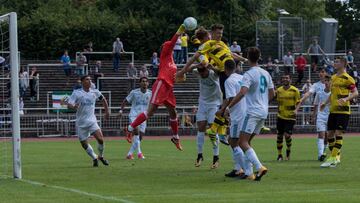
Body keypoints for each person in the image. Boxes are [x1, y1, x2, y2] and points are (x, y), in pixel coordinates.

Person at [178, 25, 247, 146]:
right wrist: (182, 71)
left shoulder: (221, 44)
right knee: (229, 101)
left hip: (228, 72)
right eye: (217, 33)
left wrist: (245, 59)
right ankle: (219, 131)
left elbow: (231, 54)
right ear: (210, 34)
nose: (220, 35)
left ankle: (216, 129)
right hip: (223, 73)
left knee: (231, 101)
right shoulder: (207, 45)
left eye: (221, 33)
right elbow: (195, 58)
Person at [124, 23, 187, 151]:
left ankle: (175, 137)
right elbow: (172, 42)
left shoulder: (172, 61)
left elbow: (175, 78)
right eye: (166, 45)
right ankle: (130, 128)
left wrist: (181, 78)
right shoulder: (165, 54)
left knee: (173, 113)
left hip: (168, 88)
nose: (168, 45)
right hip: (161, 84)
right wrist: (179, 31)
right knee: (150, 112)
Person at [227, 47, 275, 181]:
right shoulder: (266, 73)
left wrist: (229, 106)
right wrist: (263, 102)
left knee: (241, 142)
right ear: (259, 57)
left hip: (252, 112)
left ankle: (259, 167)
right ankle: (249, 173)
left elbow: (242, 92)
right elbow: (272, 94)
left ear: (247, 58)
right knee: (247, 143)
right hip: (263, 112)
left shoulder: (249, 74)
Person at [320, 57, 358, 167]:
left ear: (343, 63)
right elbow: (332, 94)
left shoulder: (348, 78)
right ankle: (336, 157)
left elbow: (355, 92)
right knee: (330, 134)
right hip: (333, 110)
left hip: (343, 110)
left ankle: (332, 158)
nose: (334, 63)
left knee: (338, 133)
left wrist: (346, 99)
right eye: (334, 61)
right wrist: (325, 103)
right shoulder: (333, 77)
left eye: (337, 62)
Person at [65, 75, 110, 167]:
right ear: (82, 82)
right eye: (87, 80)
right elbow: (69, 104)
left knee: (101, 139)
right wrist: (73, 106)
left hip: (92, 121)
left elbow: (103, 99)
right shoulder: (77, 93)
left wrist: (107, 111)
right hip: (81, 123)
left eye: (90, 80)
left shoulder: (94, 91)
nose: (89, 81)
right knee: (84, 144)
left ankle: (101, 156)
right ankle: (94, 157)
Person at [186, 65, 222, 169]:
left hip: (214, 104)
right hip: (202, 104)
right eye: (200, 72)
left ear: (207, 69)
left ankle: (216, 157)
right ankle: (199, 155)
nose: (202, 74)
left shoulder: (213, 74)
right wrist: (198, 65)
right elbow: (187, 69)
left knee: (212, 130)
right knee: (200, 128)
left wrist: (211, 66)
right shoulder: (199, 72)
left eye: (203, 72)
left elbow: (221, 72)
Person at [118, 77, 151, 160]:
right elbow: (125, 101)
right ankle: (139, 153)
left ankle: (129, 154)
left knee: (140, 137)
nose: (144, 83)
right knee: (136, 131)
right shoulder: (134, 92)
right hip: (134, 115)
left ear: (148, 83)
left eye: (146, 81)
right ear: (140, 83)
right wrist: (121, 111)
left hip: (143, 117)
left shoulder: (151, 93)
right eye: (143, 81)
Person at [275, 74, 300, 161]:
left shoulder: (295, 90)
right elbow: (278, 102)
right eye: (283, 78)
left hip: (290, 117)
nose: (285, 79)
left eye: (287, 78)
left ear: (290, 80)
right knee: (279, 136)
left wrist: (296, 110)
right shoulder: (278, 90)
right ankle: (279, 155)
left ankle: (288, 151)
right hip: (280, 116)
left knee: (287, 135)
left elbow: (298, 102)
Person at [313, 75, 331, 161]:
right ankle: (320, 155)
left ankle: (323, 152)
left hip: (331, 116)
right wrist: (313, 115)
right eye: (325, 81)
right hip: (320, 116)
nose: (327, 82)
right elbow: (316, 104)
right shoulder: (319, 92)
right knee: (321, 135)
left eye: (328, 81)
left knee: (327, 136)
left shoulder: (333, 93)